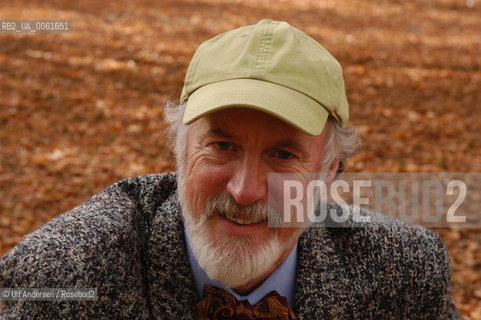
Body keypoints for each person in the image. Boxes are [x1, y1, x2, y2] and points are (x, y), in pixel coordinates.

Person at [0, 19, 462, 319]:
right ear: (179, 149)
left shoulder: (403, 272)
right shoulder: (64, 277)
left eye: (283, 155)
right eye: (222, 145)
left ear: (328, 173)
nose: (244, 191)